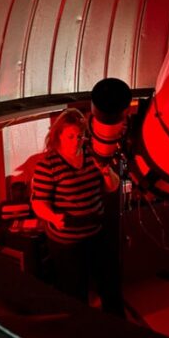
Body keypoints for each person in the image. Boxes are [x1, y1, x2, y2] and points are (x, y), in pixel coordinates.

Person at [31, 108, 125, 316]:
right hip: (68, 241)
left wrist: (106, 172)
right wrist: (54, 217)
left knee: (110, 284)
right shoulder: (48, 165)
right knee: (75, 292)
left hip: (96, 231)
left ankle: (118, 328)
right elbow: (38, 203)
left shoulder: (92, 155)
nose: (76, 141)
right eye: (70, 136)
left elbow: (112, 186)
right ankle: (79, 336)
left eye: (80, 136)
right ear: (58, 136)